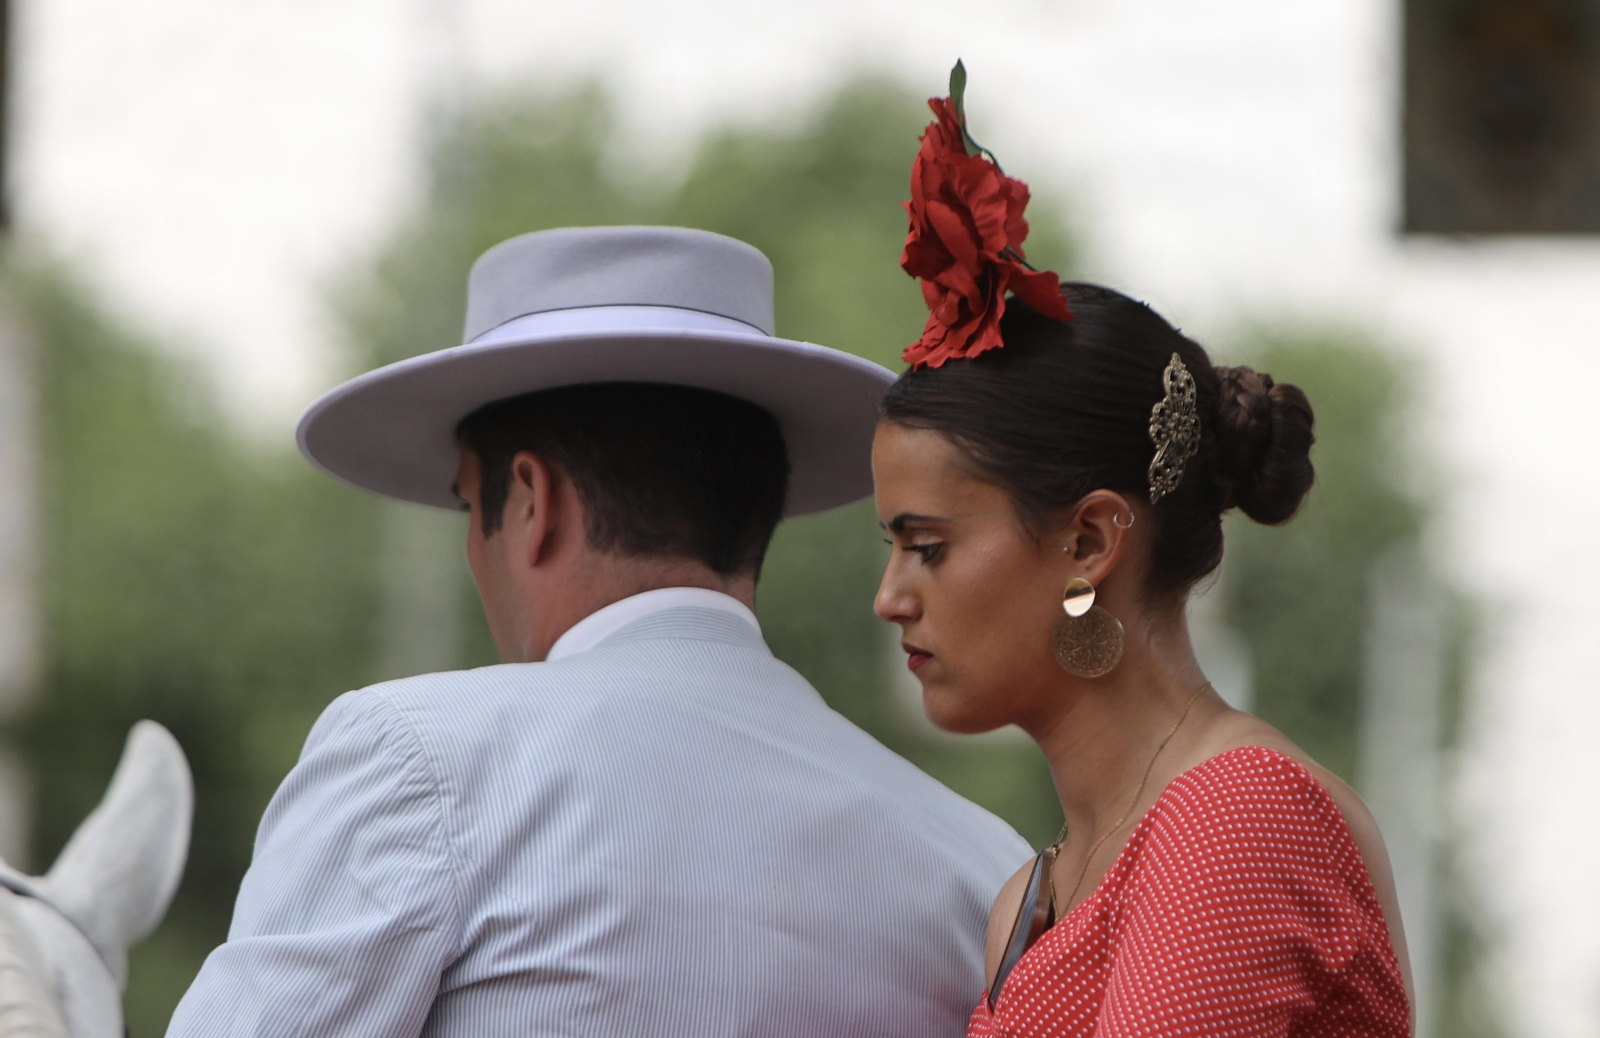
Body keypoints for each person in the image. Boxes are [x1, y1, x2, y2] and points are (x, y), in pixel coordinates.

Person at [165, 225, 1032, 1037]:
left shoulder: (418, 765)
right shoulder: (982, 868)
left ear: (534, 503)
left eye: (474, 505)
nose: (474, 547)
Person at [871, 73, 1414, 1036]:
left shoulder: (1236, 819)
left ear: (1088, 540)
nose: (891, 599)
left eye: (929, 549)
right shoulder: (1031, 898)